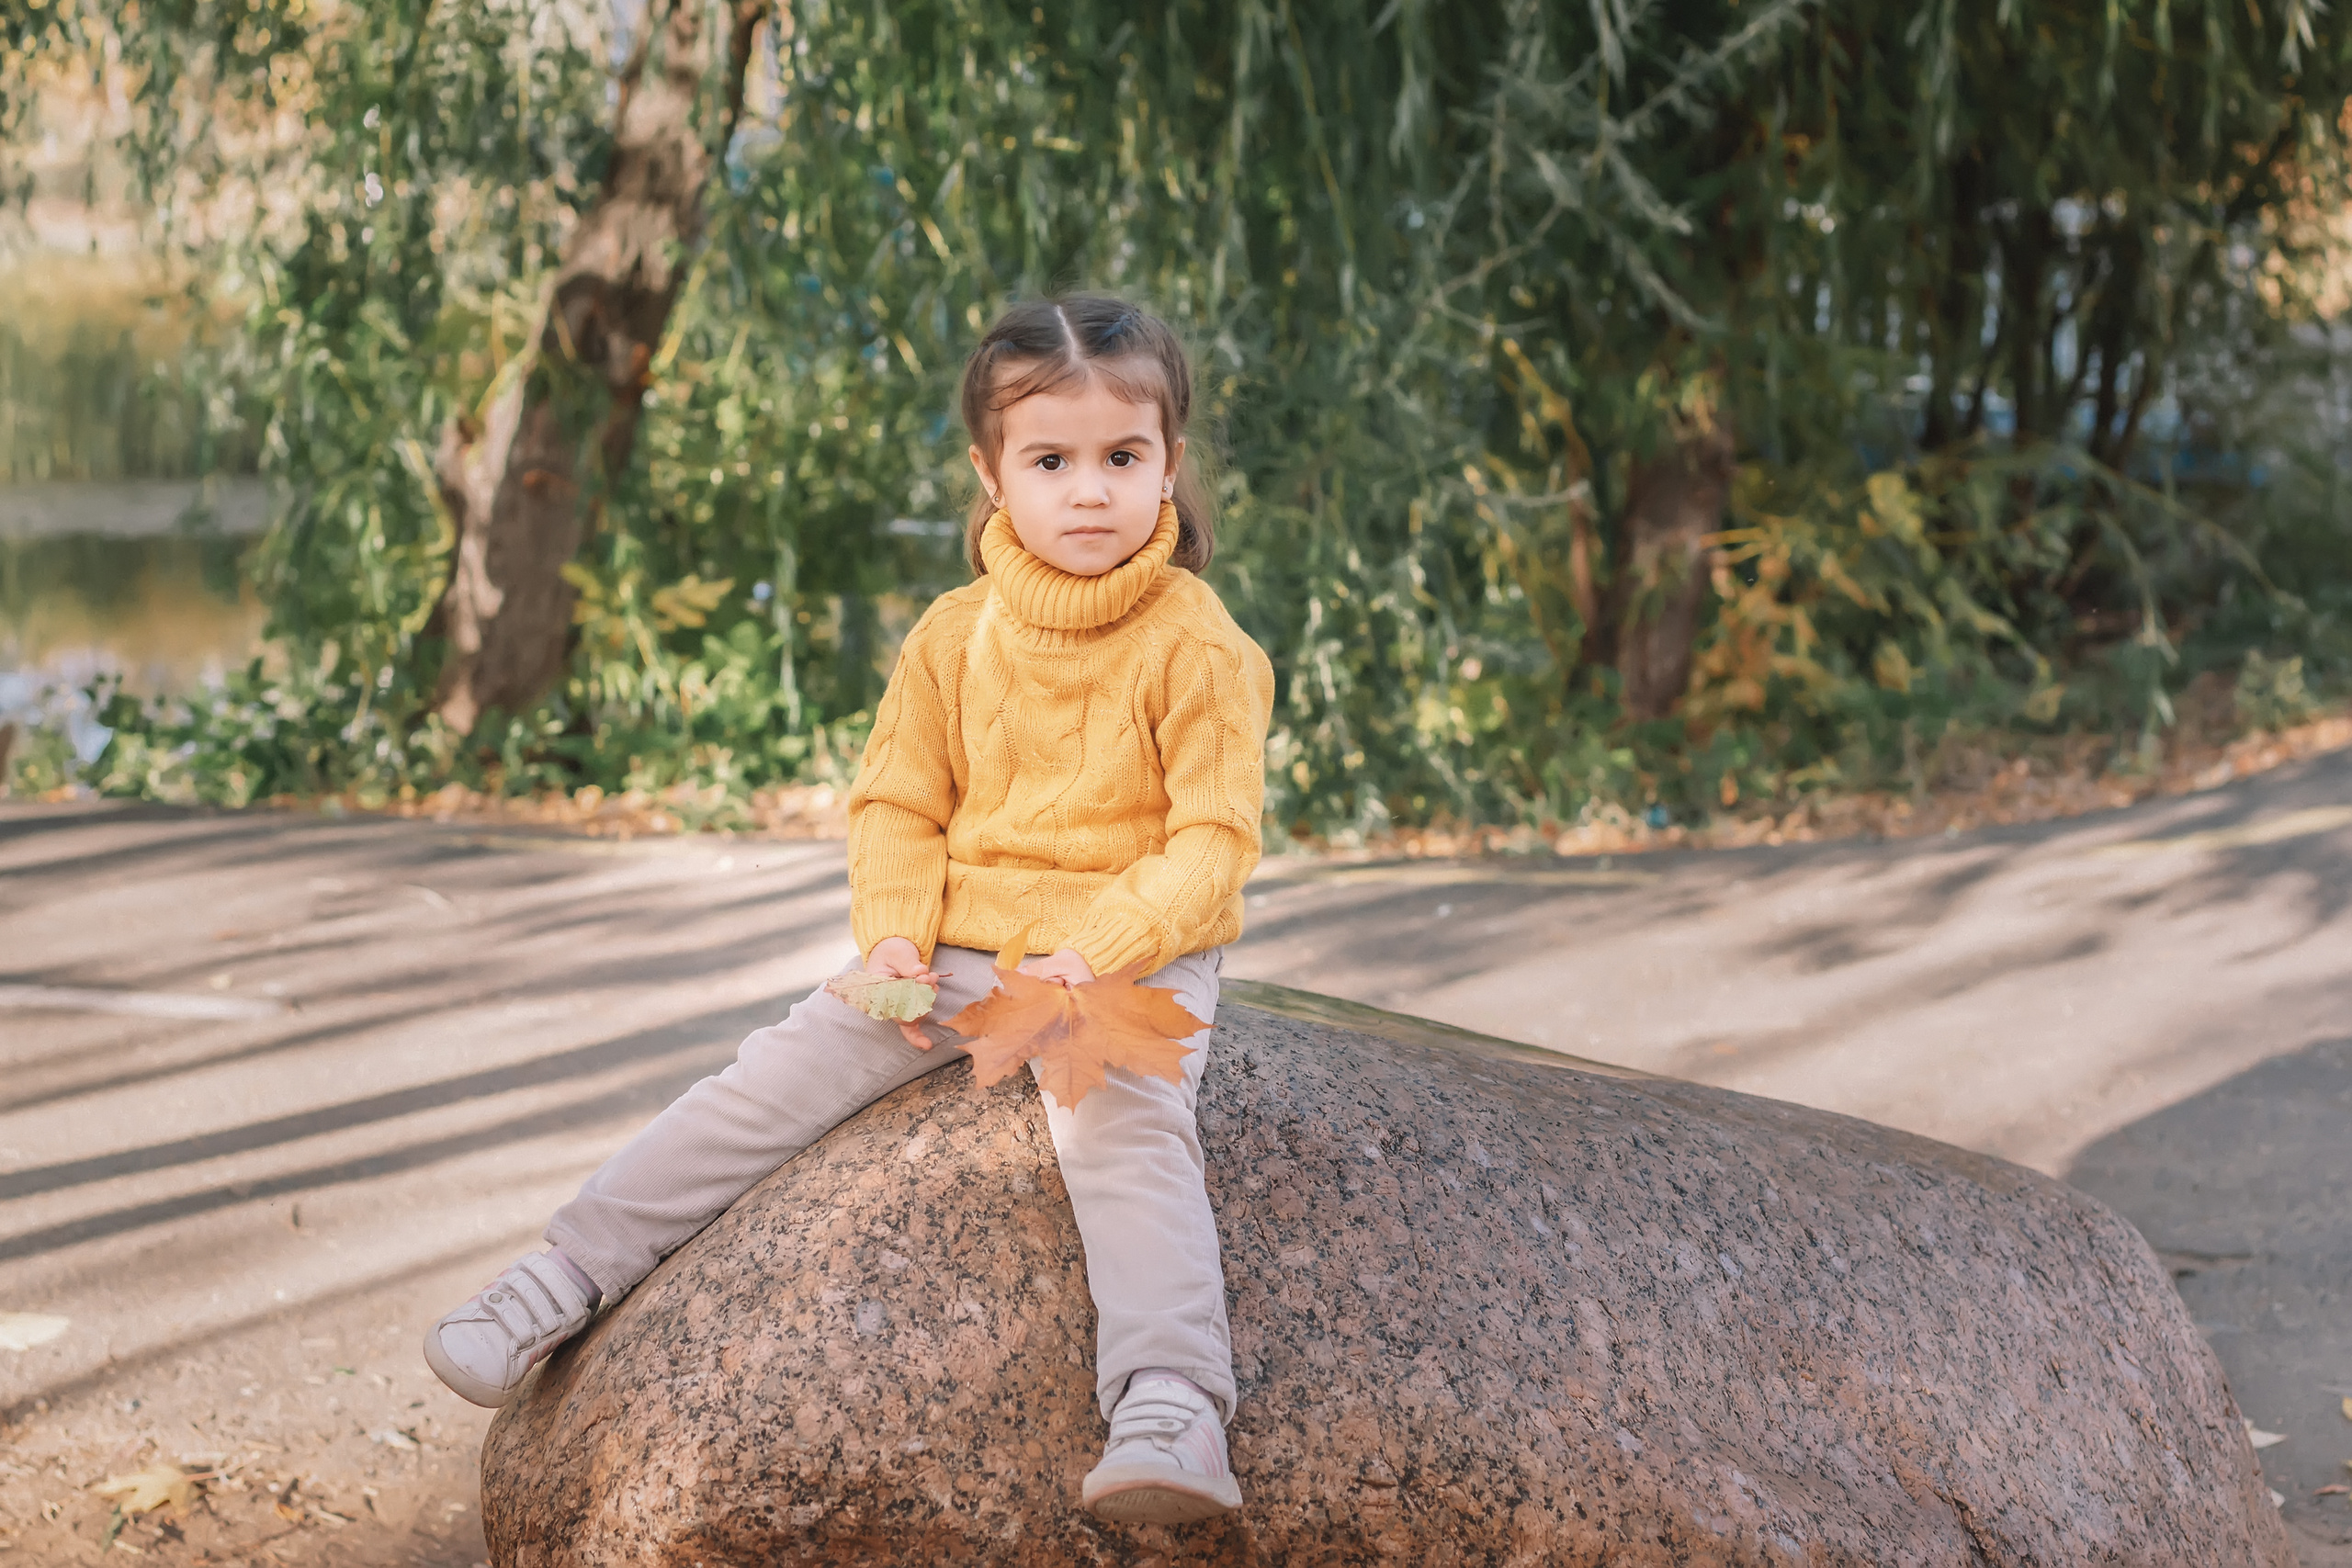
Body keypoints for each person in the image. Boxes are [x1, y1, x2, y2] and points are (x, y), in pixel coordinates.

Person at [422, 293, 1276, 1526]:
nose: (1089, 491)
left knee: (1124, 1130)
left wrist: (1107, 948)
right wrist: (893, 935)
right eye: (1051, 461)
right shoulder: (953, 637)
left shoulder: (1195, 645)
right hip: (960, 945)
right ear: (992, 475)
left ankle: (1172, 1403)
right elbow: (896, 806)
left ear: (1168, 467)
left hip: (1116, 957)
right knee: (770, 1079)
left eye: (1121, 459)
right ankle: (561, 1272)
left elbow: (1214, 844)